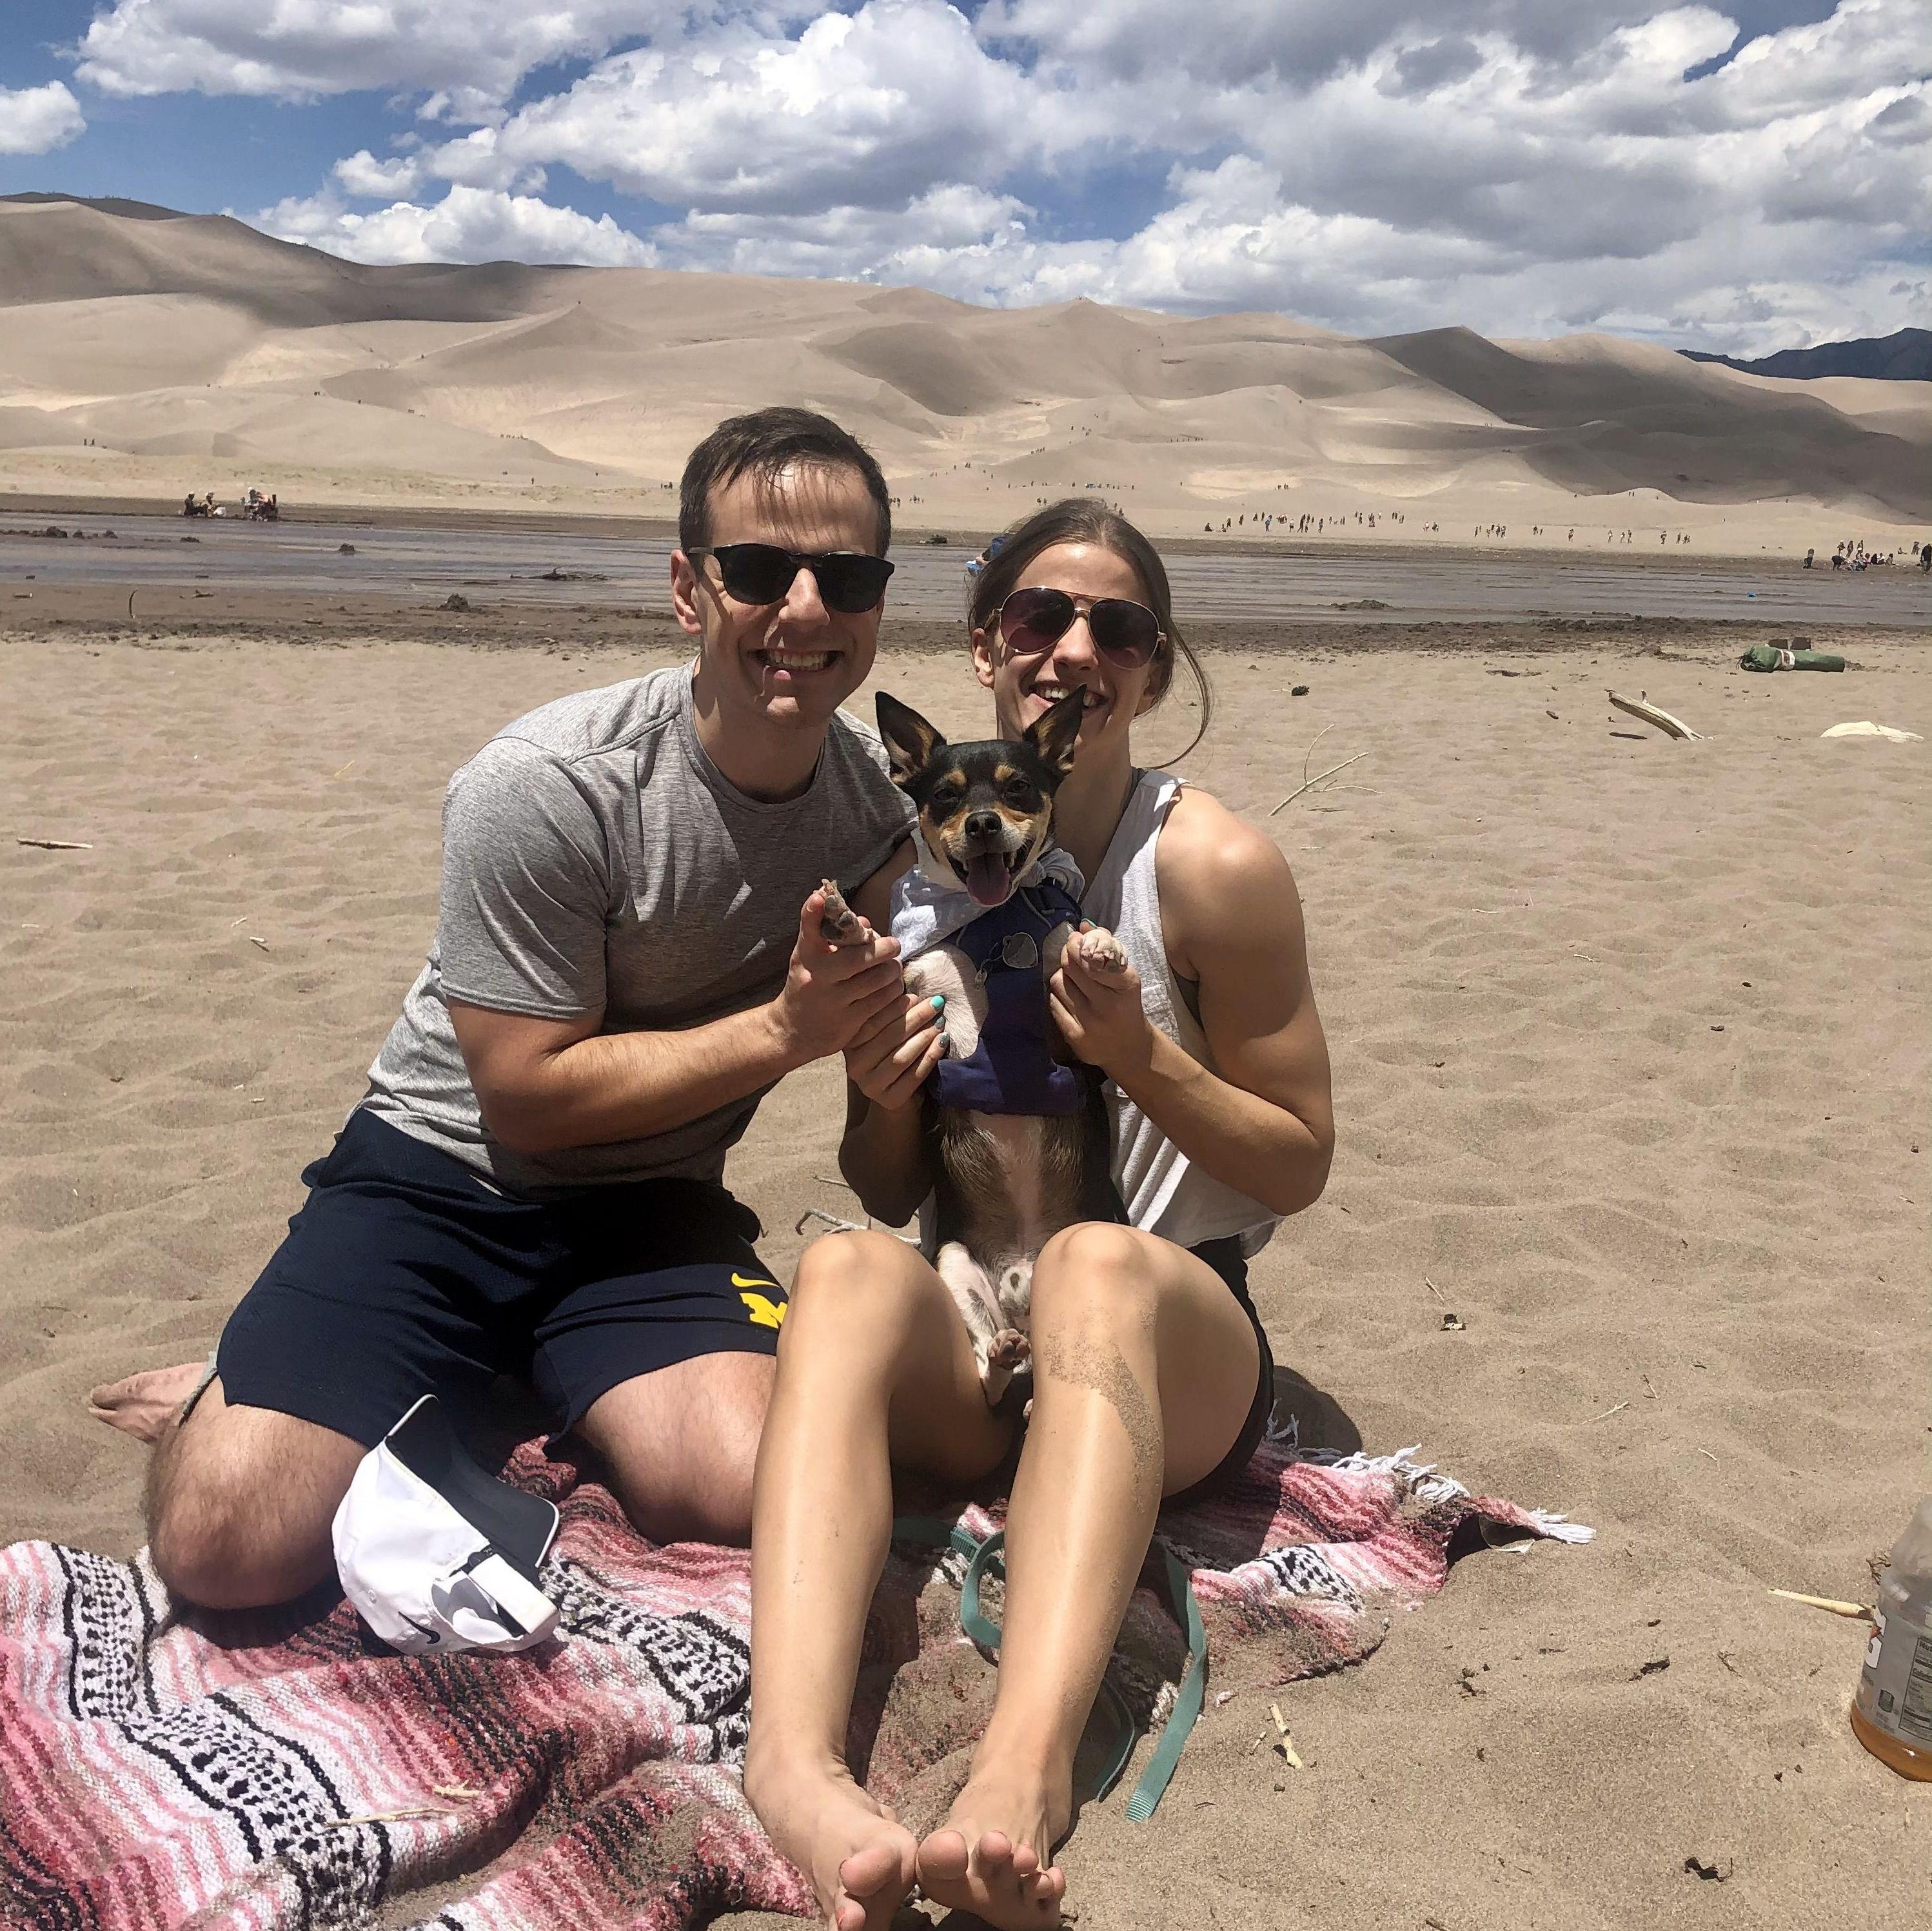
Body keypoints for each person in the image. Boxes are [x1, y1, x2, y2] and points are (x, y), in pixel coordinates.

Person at [92, 407, 916, 1610]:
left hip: (651, 1207)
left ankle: (476, 1371)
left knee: (753, 1481)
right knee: (227, 1543)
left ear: (880, 603)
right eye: (756, 570)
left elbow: (890, 1136)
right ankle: (250, 1378)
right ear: (687, 589)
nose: (803, 609)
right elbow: (524, 1100)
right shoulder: (551, 784)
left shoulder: (883, 819)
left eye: (845, 577)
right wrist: (788, 1031)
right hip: (441, 1183)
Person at [744, 500, 1335, 1930]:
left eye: (1117, 628)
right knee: (840, 1268)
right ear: (984, 646)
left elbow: (1298, 1162)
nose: (1074, 650)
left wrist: (1138, 1056)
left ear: (1152, 667)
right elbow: (891, 1186)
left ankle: (1020, 1773)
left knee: (1093, 1265)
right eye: (1039, 618)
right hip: (982, 1334)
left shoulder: (1208, 868)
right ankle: (792, 1765)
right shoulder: (913, 891)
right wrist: (882, 1092)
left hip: (1166, 1336)